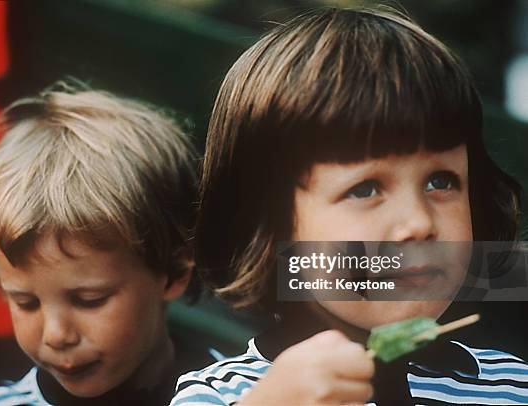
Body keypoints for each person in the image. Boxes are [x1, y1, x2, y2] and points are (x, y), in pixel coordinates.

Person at [170, 6, 528, 405]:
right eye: (365, 189)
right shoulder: (222, 394)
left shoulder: (513, 386)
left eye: (440, 181)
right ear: (269, 228)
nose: (418, 223)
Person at [0, 83, 205, 405]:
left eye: (89, 300)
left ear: (173, 272)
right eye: (25, 302)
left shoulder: (252, 392)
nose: (56, 335)